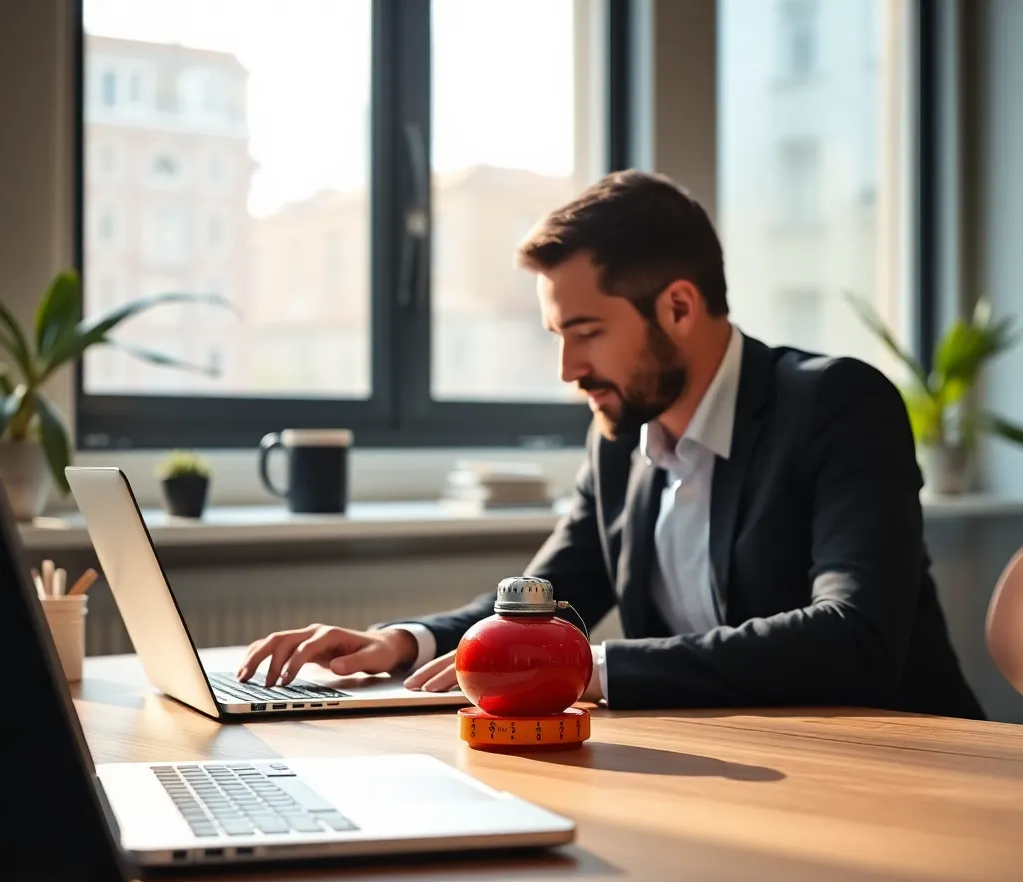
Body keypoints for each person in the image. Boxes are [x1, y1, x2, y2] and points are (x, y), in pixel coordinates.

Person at [238, 170, 984, 719]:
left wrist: (588, 670)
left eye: (587, 333)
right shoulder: (621, 440)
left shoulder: (837, 405)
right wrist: (401, 643)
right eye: (559, 339)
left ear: (680, 306)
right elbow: (542, 609)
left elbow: (853, 638)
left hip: (901, 769)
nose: (569, 371)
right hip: (741, 771)